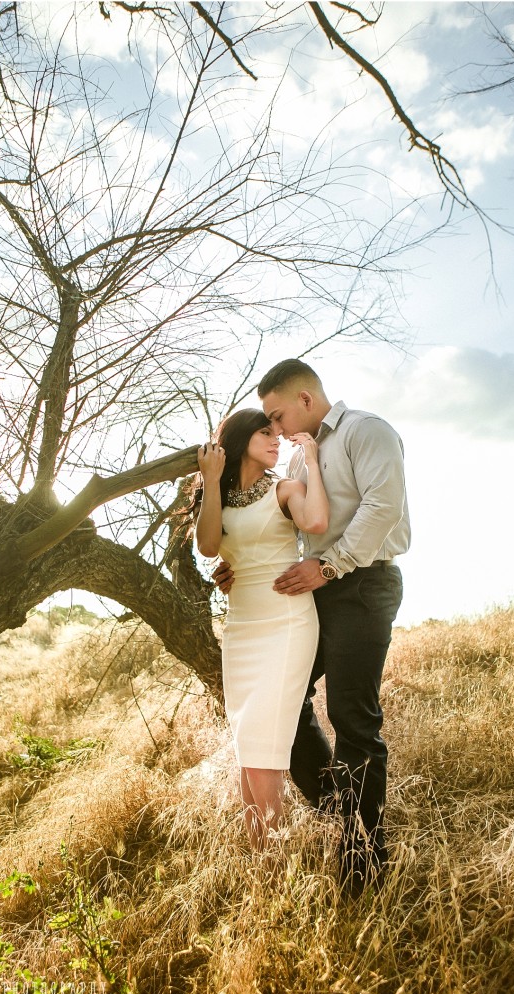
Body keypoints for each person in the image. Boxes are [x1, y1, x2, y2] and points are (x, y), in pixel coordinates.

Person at [214, 359, 410, 893]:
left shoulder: (365, 431)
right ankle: (338, 813)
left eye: (275, 415)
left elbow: (383, 508)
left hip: (363, 586)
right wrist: (243, 565)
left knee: (353, 717)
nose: (272, 429)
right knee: (287, 703)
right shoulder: (300, 458)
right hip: (311, 592)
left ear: (304, 399)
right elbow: (291, 528)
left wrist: (326, 566)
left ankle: (362, 866)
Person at [195, 408, 329, 852]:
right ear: (239, 439)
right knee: (247, 746)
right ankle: (262, 862)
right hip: (242, 628)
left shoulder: (286, 488)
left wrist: (310, 460)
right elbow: (210, 545)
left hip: (287, 622)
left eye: (277, 433)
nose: (276, 440)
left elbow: (314, 523)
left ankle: (275, 863)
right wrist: (210, 480)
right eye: (265, 433)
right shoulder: (219, 493)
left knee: (265, 747)